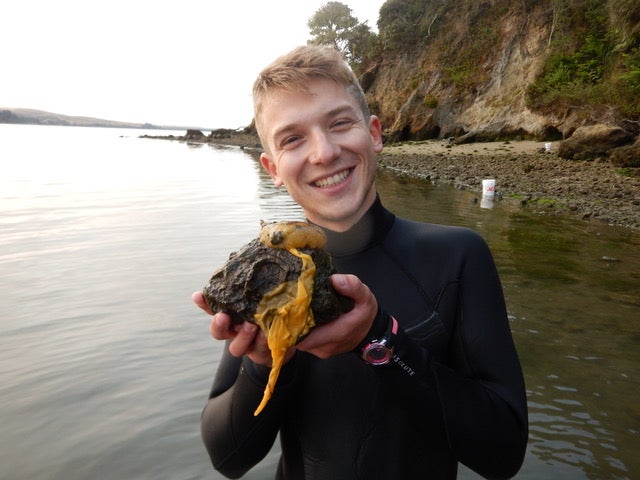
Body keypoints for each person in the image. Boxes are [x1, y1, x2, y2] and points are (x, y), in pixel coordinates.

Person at [192, 45, 528, 479]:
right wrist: (262, 363)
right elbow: (229, 458)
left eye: (340, 123)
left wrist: (380, 343)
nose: (324, 152)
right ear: (272, 168)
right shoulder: (264, 275)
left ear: (374, 133)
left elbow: (504, 452)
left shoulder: (457, 256)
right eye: (293, 138)